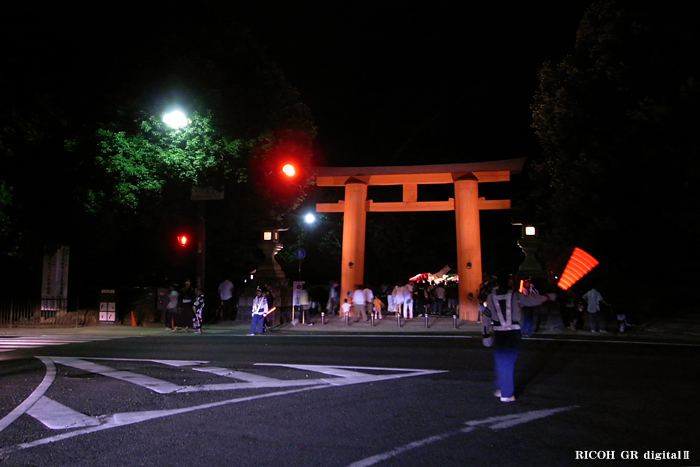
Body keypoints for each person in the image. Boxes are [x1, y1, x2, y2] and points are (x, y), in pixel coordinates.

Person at [482, 275, 550, 402]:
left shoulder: (491, 297)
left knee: (501, 360)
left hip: (498, 332)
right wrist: (547, 297)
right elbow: (531, 300)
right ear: (509, 282)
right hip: (513, 332)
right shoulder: (515, 295)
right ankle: (507, 394)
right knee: (509, 362)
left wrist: (485, 334)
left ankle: (501, 388)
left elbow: (486, 317)